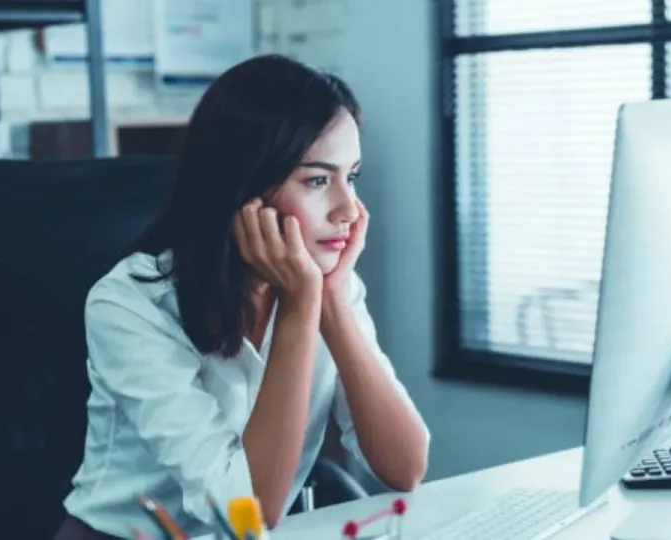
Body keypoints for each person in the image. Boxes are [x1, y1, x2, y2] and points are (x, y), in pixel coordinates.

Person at [54, 54, 430, 540]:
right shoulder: (130, 304)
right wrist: (301, 309)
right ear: (243, 190)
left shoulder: (325, 283)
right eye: (318, 180)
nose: (349, 210)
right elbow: (247, 512)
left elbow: (405, 467)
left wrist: (332, 299)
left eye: (350, 177)